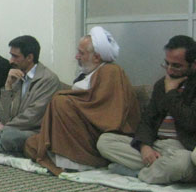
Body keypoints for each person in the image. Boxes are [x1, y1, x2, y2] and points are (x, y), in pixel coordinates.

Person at [24, 26, 140, 175]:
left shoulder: (111, 71)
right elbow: (85, 99)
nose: (76, 57)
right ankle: (66, 157)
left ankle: (78, 161)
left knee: (61, 102)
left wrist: (67, 100)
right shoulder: (87, 73)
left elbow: (103, 110)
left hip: (97, 134)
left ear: (96, 57)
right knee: (31, 144)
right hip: (77, 131)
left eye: (81, 53)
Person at [97, 35, 196, 184]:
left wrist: (171, 92)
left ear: (194, 64)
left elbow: (191, 122)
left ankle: (140, 174)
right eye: (167, 64)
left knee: (181, 163)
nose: (169, 70)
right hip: (158, 146)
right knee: (105, 141)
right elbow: (148, 119)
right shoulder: (162, 84)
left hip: (185, 149)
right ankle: (157, 170)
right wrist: (145, 146)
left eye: (176, 66)